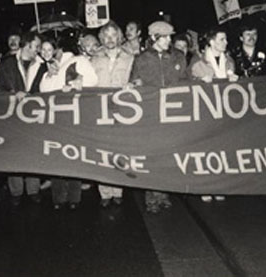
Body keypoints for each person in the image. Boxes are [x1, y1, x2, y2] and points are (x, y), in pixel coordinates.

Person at [129, 21, 186, 213]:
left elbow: (186, 81)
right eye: (165, 37)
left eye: (170, 36)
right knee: (151, 157)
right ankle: (151, 198)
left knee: (167, 156)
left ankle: (164, 194)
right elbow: (133, 82)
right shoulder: (142, 59)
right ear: (154, 38)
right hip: (151, 114)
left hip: (172, 113)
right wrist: (133, 84)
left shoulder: (178, 56)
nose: (170, 40)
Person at [39, 39, 98, 210]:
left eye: (51, 49)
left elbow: (93, 80)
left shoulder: (78, 61)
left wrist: (76, 83)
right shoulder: (50, 68)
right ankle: (58, 198)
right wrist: (50, 75)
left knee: (73, 156)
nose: (48, 53)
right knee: (57, 157)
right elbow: (44, 90)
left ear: (60, 50)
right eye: (44, 50)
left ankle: (74, 197)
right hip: (56, 119)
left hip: (74, 117)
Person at [0, 32, 47, 206]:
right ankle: (16, 191)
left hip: (33, 116)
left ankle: (33, 190)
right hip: (12, 115)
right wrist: (12, 94)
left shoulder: (42, 65)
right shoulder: (7, 63)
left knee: (32, 151)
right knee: (13, 152)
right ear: (26, 44)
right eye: (36, 46)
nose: (38, 50)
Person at [190, 27, 237, 202]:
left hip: (222, 111)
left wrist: (235, 80)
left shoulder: (229, 61)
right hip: (204, 112)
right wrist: (199, 81)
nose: (225, 43)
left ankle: (219, 186)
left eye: (225, 39)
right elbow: (186, 83)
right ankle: (205, 186)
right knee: (206, 149)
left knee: (221, 148)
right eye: (222, 39)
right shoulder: (198, 61)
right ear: (211, 42)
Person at [91, 21, 134, 207]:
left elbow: (136, 78)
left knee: (119, 149)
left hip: (120, 110)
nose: (110, 39)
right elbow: (86, 81)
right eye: (106, 36)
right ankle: (105, 192)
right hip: (100, 109)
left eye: (113, 35)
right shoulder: (94, 58)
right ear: (102, 38)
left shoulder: (129, 57)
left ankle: (118, 190)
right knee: (103, 151)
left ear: (119, 37)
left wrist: (134, 83)